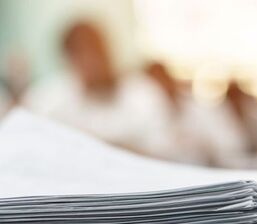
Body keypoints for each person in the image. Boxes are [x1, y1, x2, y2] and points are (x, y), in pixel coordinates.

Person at [22, 22, 177, 159]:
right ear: (69, 60)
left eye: (96, 50)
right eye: (81, 53)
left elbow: (164, 152)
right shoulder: (49, 98)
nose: (92, 61)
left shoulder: (143, 93)